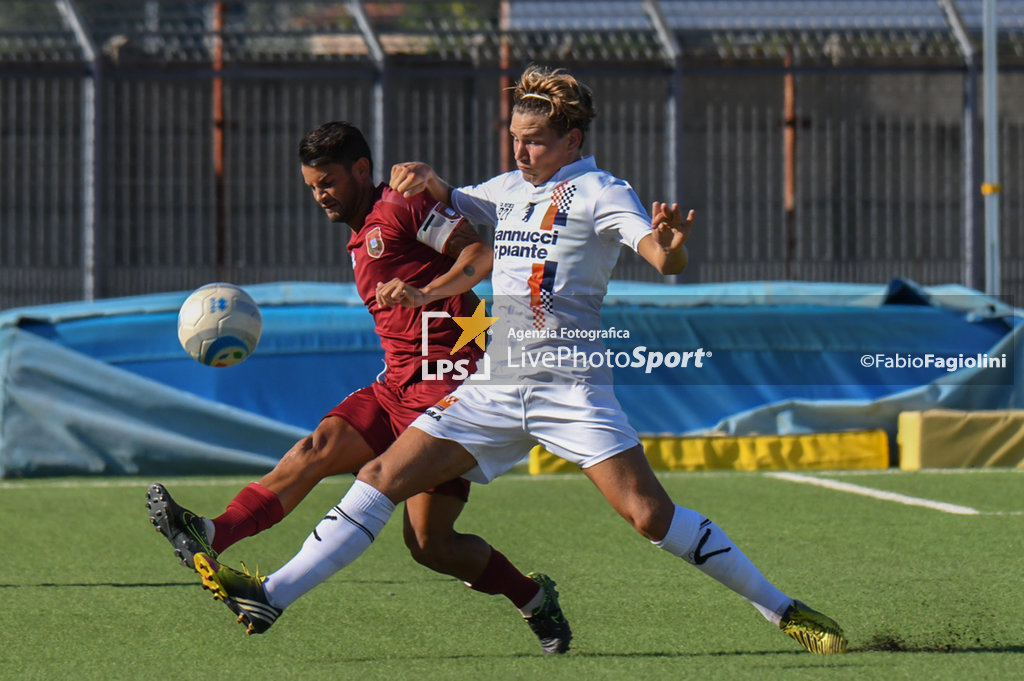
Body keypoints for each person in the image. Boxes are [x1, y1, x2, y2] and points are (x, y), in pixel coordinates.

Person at [193, 66, 848, 655]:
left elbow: (658, 254)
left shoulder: (600, 190)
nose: (520, 150)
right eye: (514, 137)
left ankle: (782, 608)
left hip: (571, 384)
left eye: (533, 140)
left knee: (651, 517)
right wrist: (423, 178)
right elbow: (451, 200)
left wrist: (671, 248)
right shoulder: (508, 187)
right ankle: (271, 595)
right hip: (495, 383)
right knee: (382, 475)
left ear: (572, 137)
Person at [147, 120, 571, 654]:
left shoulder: (401, 205)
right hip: (394, 387)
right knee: (315, 448)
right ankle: (212, 533)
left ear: (361, 170)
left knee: (430, 543)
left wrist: (425, 290)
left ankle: (533, 598)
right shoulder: (360, 232)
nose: (320, 196)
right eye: (311, 187)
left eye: (327, 182)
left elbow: (480, 256)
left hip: (448, 394)